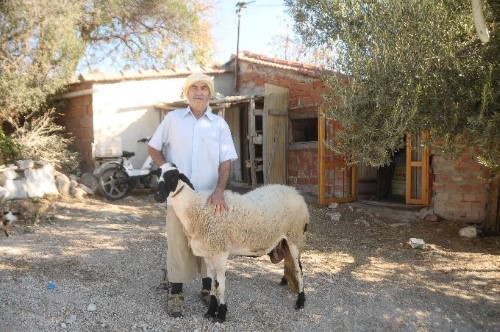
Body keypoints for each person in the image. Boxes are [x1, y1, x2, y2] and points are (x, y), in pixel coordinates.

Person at [147, 73, 238, 318]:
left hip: (209, 199)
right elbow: (153, 147)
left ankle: (207, 289)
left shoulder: (219, 124)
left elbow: (226, 161)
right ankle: (175, 293)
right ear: (187, 93)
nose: (199, 92)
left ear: (210, 93)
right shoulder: (173, 119)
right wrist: (166, 167)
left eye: (204, 88)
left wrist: (219, 191)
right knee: (177, 243)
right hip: (178, 200)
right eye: (194, 88)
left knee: (210, 244)